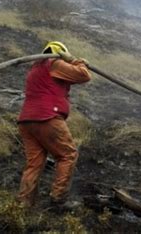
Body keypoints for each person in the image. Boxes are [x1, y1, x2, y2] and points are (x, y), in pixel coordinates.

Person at [17, 41, 91, 209]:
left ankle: (23, 204)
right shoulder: (54, 64)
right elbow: (84, 75)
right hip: (47, 118)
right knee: (67, 155)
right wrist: (75, 61)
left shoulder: (35, 69)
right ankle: (58, 200)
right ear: (60, 54)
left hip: (27, 121)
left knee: (34, 164)